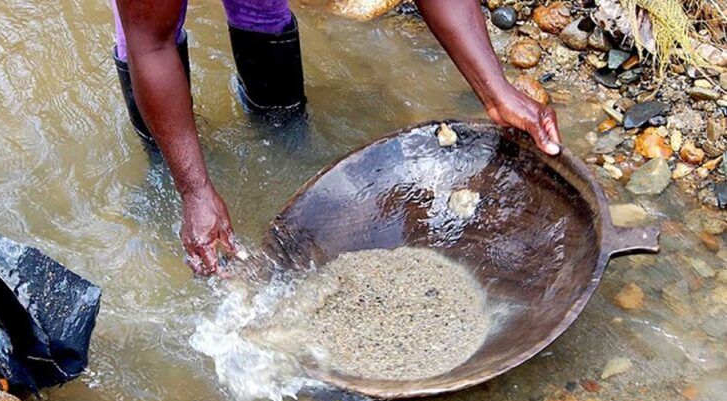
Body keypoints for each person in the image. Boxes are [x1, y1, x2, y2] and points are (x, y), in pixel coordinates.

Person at [111, 0, 562, 276]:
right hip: (150, 31)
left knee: (269, 57)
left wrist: (496, 92)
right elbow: (151, 43)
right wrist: (193, 189)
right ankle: (168, 171)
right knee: (152, 37)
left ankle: (280, 127)